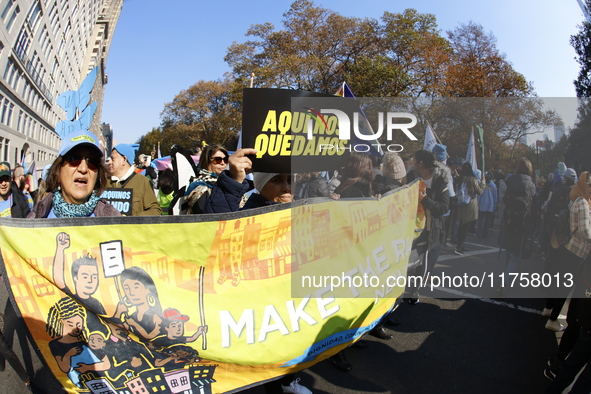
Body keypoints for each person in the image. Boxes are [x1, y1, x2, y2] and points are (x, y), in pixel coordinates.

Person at [203, 148, 312, 393]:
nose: (287, 187)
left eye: (290, 179)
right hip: (255, 300)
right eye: (277, 180)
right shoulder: (247, 211)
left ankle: (287, 380)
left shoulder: (298, 209)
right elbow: (215, 228)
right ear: (260, 185)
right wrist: (233, 180)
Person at [27, 130, 120, 218]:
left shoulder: (114, 222)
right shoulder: (34, 221)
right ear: (58, 171)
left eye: (92, 161)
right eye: (74, 159)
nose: (83, 169)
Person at [405, 150, 450, 304]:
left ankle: (414, 291)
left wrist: (425, 199)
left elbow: (444, 207)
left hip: (430, 228)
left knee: (423, 262)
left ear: (421, 164)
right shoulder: (411, 177)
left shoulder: (440, 181)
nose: (412, 163)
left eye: (414, 160)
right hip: (411, 225)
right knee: (406, 259)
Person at [542, 167, 578, 331]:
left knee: (552, 260)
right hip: (566, 236)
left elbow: (548, 208)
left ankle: (546, 284)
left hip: (554, 230)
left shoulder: (557, 190)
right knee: (562, 272)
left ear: (564, 178)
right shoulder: (576, 196)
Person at [498, 158, 536, 295]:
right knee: (516, 253)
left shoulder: (512, 181)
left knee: (508, 249)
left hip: (509, 219)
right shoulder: (531, 184)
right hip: (524, 222)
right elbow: (534, 203)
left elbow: (504, 199)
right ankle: (506, 280)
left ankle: (505, 277)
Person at [108, 143, 161, 216]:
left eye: (112, 158)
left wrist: (133, 219)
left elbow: (156, 211)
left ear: (124, 160)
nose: (109, 162)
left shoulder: (142, 182)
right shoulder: (104, 182)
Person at [183, 144, 229, 214]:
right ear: (206, 161)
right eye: (218, 160)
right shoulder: (199, 185)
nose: (223, 163)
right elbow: (205, 212)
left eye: (225, 160)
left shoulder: (227, 182)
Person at [454, 162, 484, 255]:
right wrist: (482, 184)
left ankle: (459, 244)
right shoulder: (472, 180)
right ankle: (459, 246)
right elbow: (479, 192)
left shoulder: (460, 179)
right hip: (470, 204)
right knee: (466, 227)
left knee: (461, 226)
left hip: (460, 204)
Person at [476, 172, 497, 239]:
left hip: (482, 204)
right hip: (490, 205)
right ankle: (485, 234)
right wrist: (495, 204)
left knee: (481, 220)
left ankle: (480, 233)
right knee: (487, 221)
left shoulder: (483, 185)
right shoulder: (493, 186)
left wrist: (478, 203)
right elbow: (495, 197)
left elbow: (479, 195)